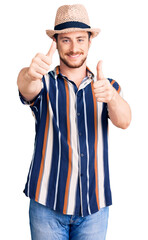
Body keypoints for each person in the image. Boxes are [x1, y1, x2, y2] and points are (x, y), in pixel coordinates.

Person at [17, 4, 131, 240]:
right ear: (56, 43)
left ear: (90, 41)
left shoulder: (105, 86)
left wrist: (111, 97)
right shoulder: (44, 83)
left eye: (80, 39)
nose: (74, 47)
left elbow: (125, 120)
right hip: (47, 206)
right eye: (66, 40)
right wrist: (29, 73)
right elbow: (25, 87)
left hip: (94, 210)